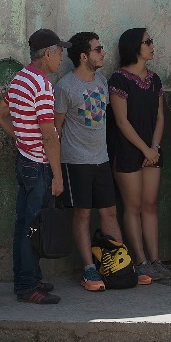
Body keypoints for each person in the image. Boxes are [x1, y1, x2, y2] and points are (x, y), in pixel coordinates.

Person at [0, 29, 66, 305]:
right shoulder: (42, 85)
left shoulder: (20, 79)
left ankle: (28, 278)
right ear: (47, 54)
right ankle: (27, 286)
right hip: (39, 165)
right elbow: (49, 135)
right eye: (59, 53)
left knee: (24, 224)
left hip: (24, 161)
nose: (61, 58)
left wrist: (21, 137)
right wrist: (57, 175)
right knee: (33, 226)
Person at [54, 32, 130, 290]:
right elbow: (56, 128)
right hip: (75, 161)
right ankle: (88, 269)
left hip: (101, 159)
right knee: (83, 213)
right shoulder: (65, 87)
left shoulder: (101, 81)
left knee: (109, 211)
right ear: (84, 56)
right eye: (98, 49)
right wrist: (56, 168)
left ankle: (119, 265)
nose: (103, 53)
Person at [108, 27, 170, 281]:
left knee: (149, 205)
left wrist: (154, 147)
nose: (152, 46)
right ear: (134, 47)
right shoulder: (118, 79)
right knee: (132, 206)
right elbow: (121, 121)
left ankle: (156, 260)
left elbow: (160, 116)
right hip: (127, 150)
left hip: (152, 151)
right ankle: (140, 261)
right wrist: (145, 149)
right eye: (147, 42)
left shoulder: (154, 79)